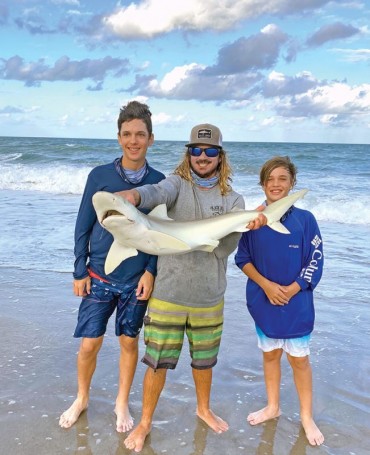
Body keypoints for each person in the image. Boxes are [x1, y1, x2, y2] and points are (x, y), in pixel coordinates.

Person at [118, 123, 266, 452]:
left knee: (204, 362)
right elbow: (156, 193)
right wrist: (133, 197)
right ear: (188, 154)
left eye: (210, 151)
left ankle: (203, 409)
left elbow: (225, 250)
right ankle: (144, 423)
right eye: (196, 150)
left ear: (220, 156)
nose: (202, 156)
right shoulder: (176, 186)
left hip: (208, 296)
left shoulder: (234, 199)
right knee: (156, 363)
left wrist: (244, 226)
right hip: (168, 294)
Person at [59, 101, 165, 432]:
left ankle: (122, 403)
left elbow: (158, 234)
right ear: (119, 137)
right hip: (98, 274)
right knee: (89, 343)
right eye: (127, 134)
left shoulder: (159, 182)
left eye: (140, 135)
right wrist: (79, 270)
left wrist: (151, 271)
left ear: (151, 138)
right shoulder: (100, 176)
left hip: (136, 280)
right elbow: (83, 224)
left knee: (129, 342)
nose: (134, 141)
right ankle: (82, 397)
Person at [234, 156, 324, 446]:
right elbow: (242, 258)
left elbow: (316, 260)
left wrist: (294, 288)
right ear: (262, 184)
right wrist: (267, 286)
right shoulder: (254, 222)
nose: (276, 184)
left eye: (282, 179)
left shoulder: (305, 220)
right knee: (270, 355)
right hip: (264, 300)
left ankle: (306, 416)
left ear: (292, 183)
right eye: (270, 179)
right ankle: (273, 407)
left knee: (300, 361)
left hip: (297, 303)